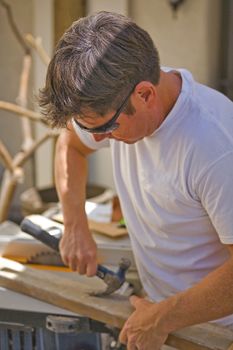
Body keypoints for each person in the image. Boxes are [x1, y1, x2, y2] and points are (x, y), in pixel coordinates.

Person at [39, 11, 233, 350]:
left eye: (103, 127)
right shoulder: (120, 95)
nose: (98, 139)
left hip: (217, 333)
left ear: (145, 95)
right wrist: (74, 224)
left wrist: (162, 318)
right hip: (158, 314)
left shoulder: (216, 147)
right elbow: (69, 144)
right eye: (91, 128)